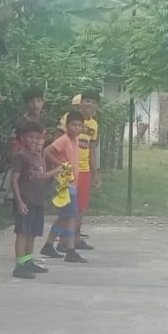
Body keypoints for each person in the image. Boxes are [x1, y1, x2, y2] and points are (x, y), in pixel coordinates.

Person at [10, 120, 60, 279]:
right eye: (30, 137)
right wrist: (19, 201)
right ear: (23, 138)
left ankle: (28, 261)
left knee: (32, 233)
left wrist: (58, 170)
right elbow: (14, 180)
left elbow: (42, 176)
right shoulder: (20, 156)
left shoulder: (38, 155)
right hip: (25, 201)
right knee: (22, 233)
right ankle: (19, 265)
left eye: (38, 138)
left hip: (37, 200)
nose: (34, 140)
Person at [41, 110, 89, 264]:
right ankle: (70, 250)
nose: (76, 128)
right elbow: (47, 152)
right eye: (73, 125)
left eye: (79, 125)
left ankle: (48, 245)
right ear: (67, 126)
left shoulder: (75, 140)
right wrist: (58, 164)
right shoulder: (64, 140)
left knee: (64, 217)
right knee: (71, 217)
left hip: (71, 183)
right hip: (64, 183)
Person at [69, 90, 101, 250]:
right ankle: (64, 241)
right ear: (81, 102)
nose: (89, 104)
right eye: (87, 100)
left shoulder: (94, 125)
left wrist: (95, 172)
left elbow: (92, 150)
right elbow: (57, 141)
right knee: (68, 209)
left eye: (93, 102)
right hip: (69, 170)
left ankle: (76, 239)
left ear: (97, 106)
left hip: (84, 170)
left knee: (81, 208)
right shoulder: (69, 118)